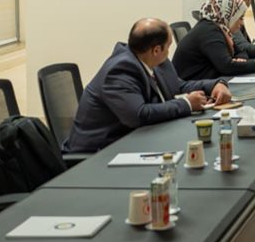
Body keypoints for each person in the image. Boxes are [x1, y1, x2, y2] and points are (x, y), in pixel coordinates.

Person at [62, 19, 232, 153]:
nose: (169, 52)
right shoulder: (120, 71)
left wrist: (215, 85)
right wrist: (187, 103)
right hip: (100, 152)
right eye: (168, 47)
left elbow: (178, 86)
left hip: (136, 139)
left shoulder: (150, 59)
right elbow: (138, 115)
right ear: (156, 50)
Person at [173, 0, 255, 80]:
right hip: (193, 87)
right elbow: (226, 66)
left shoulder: (221, 30)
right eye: (240, 18)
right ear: (228, 15)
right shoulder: (209, 31)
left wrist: (240, 59)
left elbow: (241, 51)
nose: (242, 23)